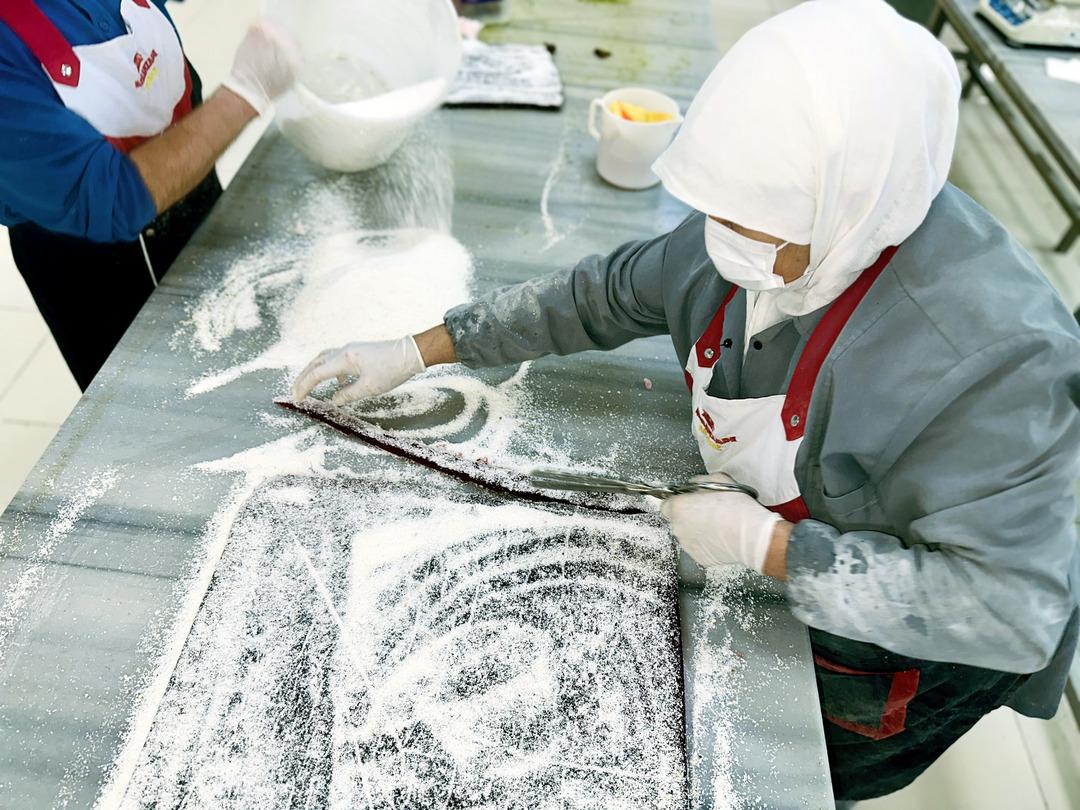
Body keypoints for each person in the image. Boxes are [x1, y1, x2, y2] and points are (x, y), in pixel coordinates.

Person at [290, 0, 1080, 801]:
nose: (722, 239)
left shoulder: (993, 361)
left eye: (754, 225)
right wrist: (421, 348)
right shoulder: (758, 222)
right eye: (717, 211)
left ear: (850, 199)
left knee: (792, 768)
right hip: (803, 547)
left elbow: (1009, 612)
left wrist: (768, 549)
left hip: (904, 651)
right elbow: (598, 295)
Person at [0, 1, 300, 390]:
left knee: (260, 364)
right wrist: (246, 91)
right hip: (103, 267)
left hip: (198, 197)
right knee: (178, 413)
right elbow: (111, 199)